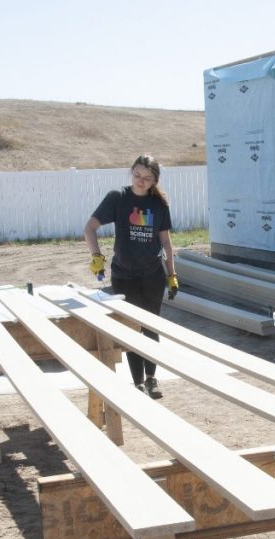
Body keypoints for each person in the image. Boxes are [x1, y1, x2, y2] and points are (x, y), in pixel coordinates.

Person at [83, 154, 178, 399]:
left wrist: (172, 274)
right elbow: (90, 228)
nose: (141, 181)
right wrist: (96, 256)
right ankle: (136, 382)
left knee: (151, 325)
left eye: (147, 178)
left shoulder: (159, 204)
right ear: (131, 172)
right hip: (124, 276)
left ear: (155, 180)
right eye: (137, 175)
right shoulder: (118, 198)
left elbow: (165, 241)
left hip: (152, 275)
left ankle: (151, 379)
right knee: (132, 327)